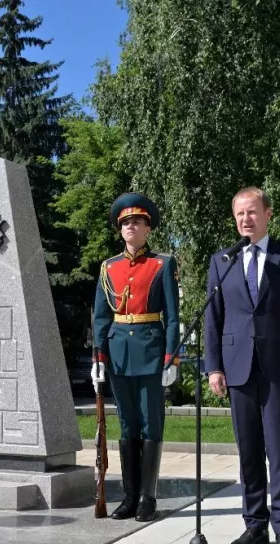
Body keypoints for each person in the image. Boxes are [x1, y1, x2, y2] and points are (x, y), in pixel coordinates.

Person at [204, 187, 280, 544]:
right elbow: (213, 318)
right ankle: (255, 525)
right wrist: (213, 366)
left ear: (268, 213)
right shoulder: (223, 260)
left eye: (252, 212)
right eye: (239, 214)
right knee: (248, 451)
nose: (245, 220)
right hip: (237, 370)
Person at [91, 192, 181, 522]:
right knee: (127, 424)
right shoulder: (108, 268)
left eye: (138, 222)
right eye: (126, 222)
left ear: (148, 228)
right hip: (117, 355)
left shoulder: (162, 264)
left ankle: (148, 497)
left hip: (151, 353)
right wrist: (98, 358)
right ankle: (128, 496)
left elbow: (172, 316)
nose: (131, 226)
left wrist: (171, 358)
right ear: (120, 230)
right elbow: (101, 317)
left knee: (150, 423)